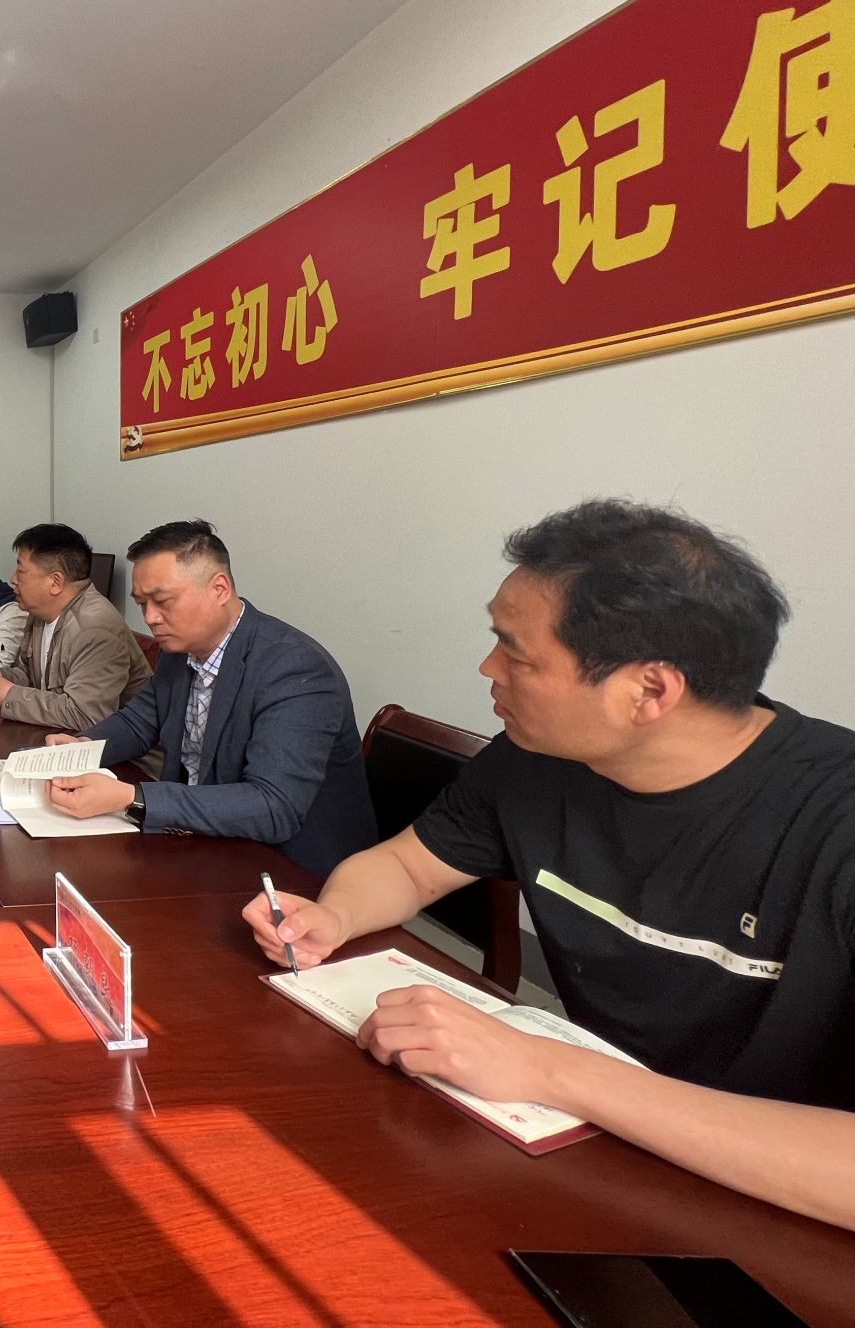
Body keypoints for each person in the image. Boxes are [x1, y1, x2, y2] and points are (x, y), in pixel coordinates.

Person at [244, 500, 855, 1230]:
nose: (488, 669)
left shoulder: (833, 823)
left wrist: (544, 1066)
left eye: (517, 654)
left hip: (781, 1207)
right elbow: (408, 867)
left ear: (649, 691)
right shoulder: (537, 759)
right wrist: (333, 914)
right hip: (591, 1152)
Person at [42, 521, 375, 876]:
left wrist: (131, 798)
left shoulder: (294, 669)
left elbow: (273, 806)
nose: (151, 618)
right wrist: (82, 748)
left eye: (162, 601)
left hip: (292, 869)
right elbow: (140, 722)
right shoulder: (180, 649)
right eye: (142, 604)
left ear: (219, 589)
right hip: (203, 840)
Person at [0, 523, 150, 730]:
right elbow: (30, 678)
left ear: (55, 582)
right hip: (60, 735)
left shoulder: (95, 628)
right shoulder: (39, 614)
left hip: (119, 747)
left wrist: (7, 694)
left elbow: (86, 715)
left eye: (21, 571)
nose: (13, 579)